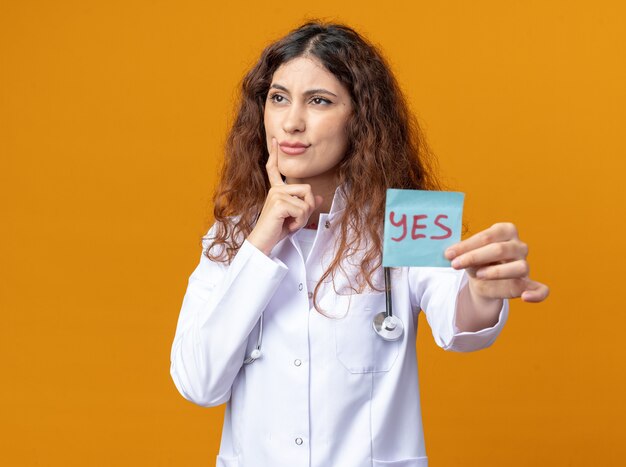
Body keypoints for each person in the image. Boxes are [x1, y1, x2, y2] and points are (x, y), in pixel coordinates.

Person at [169, 21, 549, 467]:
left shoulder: (410, 217)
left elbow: (458, 324)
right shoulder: (232, 236)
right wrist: (261, 241)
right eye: (278, 98)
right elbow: (199, 383)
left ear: (362, 117)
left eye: (319, 101)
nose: (291, 121)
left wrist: (482, 292)